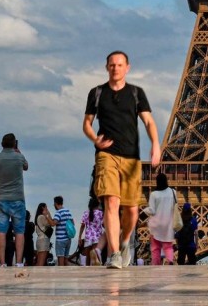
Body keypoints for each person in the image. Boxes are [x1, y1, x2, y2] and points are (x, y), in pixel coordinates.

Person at [82, 50, 161, 269]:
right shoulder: (97, 93)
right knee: (111, 201)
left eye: (119, 65)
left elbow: (148, 122)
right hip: (106, 155)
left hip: (130, 157)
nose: (115, 68)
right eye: (112, 65)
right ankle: (114, 253)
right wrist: (94, 139)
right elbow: (87, 123)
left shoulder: (136, 93)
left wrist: (156, 144)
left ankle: (125, 242)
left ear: (127, 67)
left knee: (132, 209)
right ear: (107, 67)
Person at [0, 133, 30, 269]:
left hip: (1, 199)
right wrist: (18, 151)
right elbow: (26, 166)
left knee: (1, 232)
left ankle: (3, 262)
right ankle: (19, 262)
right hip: (17, 199)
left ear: (1, 144)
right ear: (14, 144)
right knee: (19, 232)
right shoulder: (19, 157)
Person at [78, 197, 105, 266]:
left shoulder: (86, 213)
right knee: (95, 255)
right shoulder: (100, 213)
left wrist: (79, 237)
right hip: (97, 236)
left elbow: (82, 226)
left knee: (88, 257)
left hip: (88, 236)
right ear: (97, 205)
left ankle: (87, 270)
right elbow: (103, 225)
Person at [52, 195, 75, 265]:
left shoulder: (58, 213)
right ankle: (67, 274)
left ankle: (61, 275)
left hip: (60, 239)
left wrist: (47, 216)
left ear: (56, 203)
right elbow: (72, 222)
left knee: (60, 260)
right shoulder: (67, 211)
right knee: (66, 259)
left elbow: (54, 223)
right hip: (68, 239)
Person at [32, 202, 54, 266]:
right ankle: (38, 275)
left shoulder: (38, 217)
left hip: (40, 239)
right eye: (46, 207)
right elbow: (51, 223)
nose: (47, 209)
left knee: (39, 261)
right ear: (43, 208)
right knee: (41, 262)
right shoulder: (41, 217)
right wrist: (48, 214)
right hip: (43, 240)